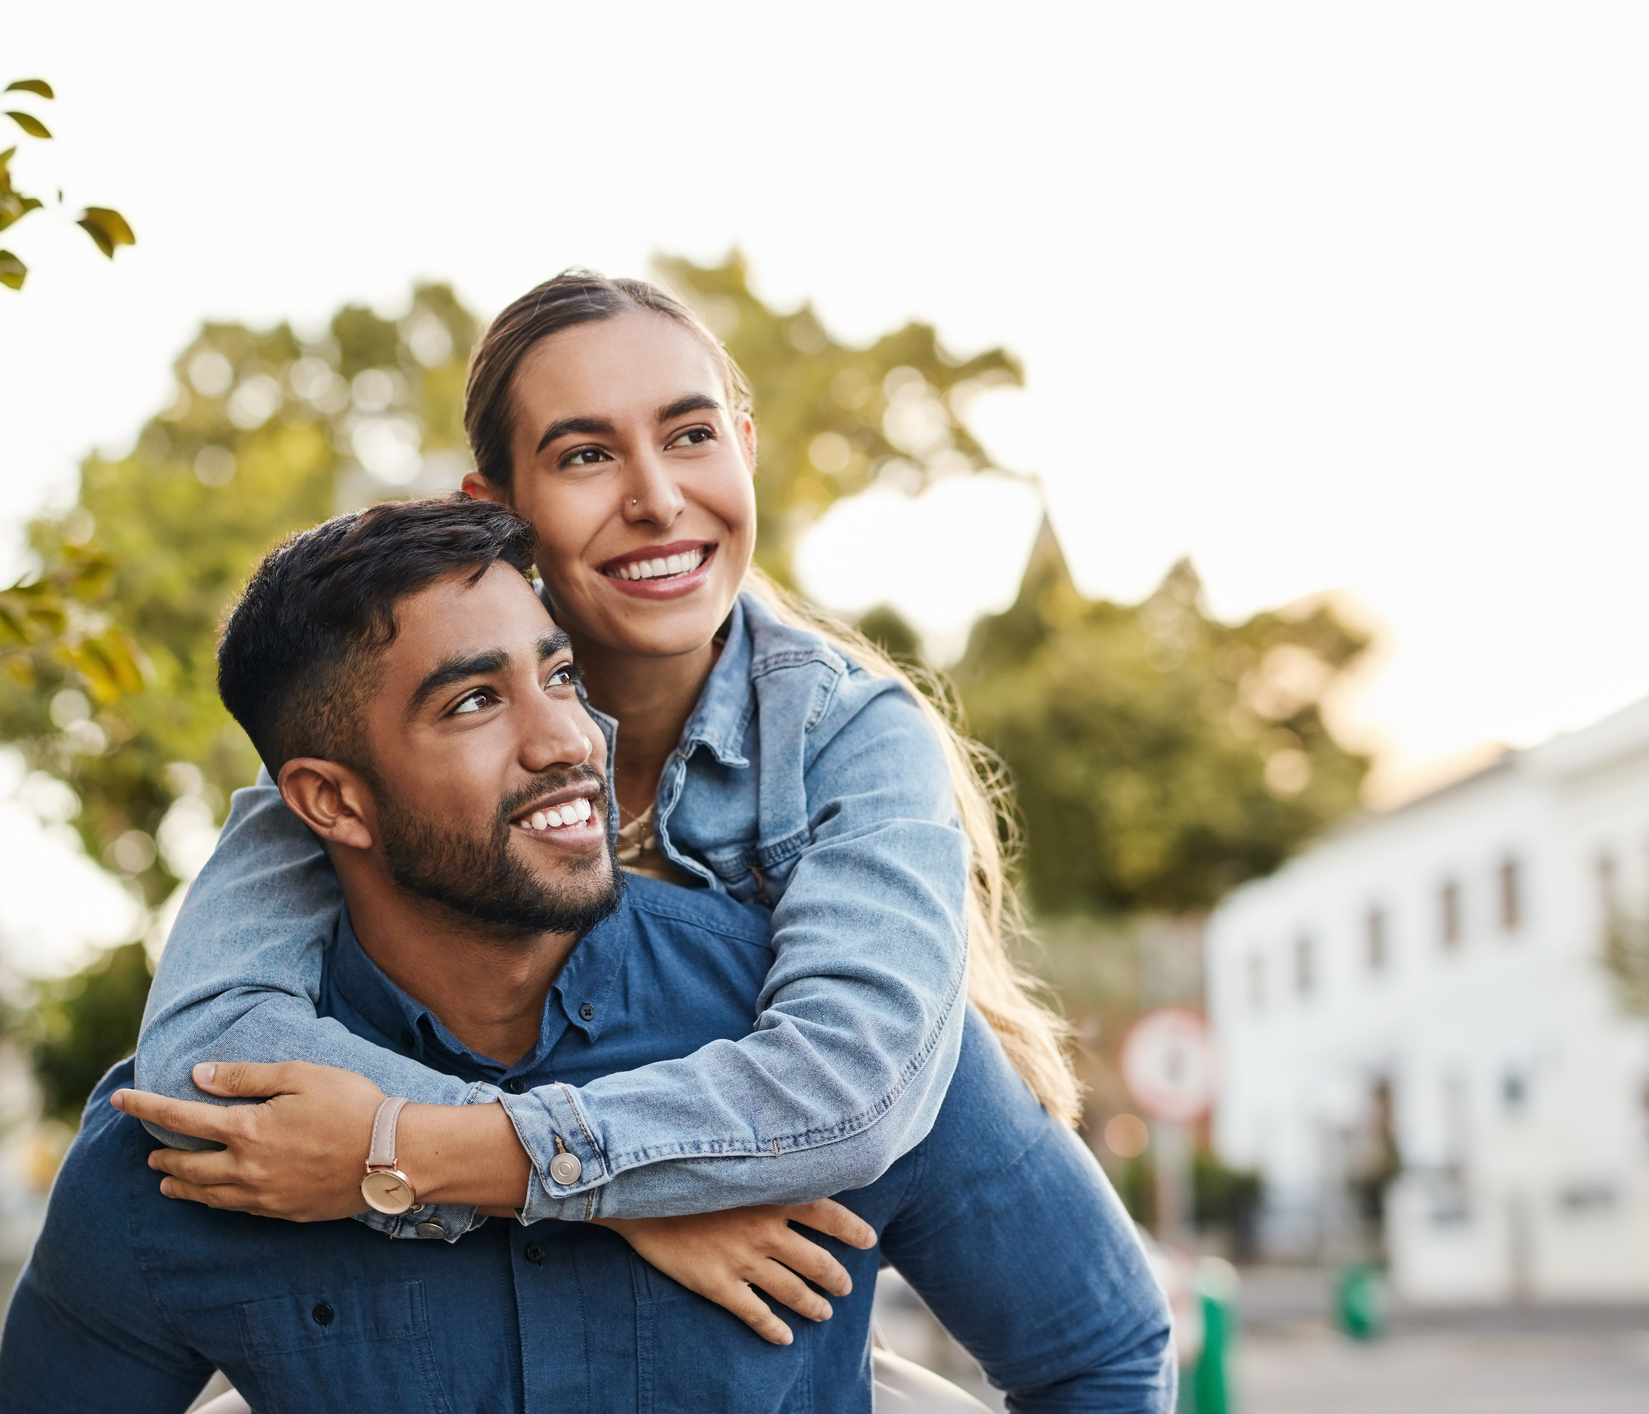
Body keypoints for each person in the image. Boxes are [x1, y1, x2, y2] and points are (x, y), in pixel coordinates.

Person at [0, 498, 1171, 1412]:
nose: (566, 738)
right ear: (329, 803)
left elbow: (1104, 1356)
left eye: (560, 673)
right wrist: (615, 1200)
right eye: (471, 703)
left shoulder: (828, 1031)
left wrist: (423, 1154)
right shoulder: (194, 1152)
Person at [128, 274, 1083, 1341]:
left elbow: (847, 1085)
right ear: (496, 511)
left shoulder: (847, 737)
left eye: (689, 435)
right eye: (585, 455)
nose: (657, 499)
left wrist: (410, 1152)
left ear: (747, 450)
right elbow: (202, 1053)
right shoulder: (393, 723)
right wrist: (620, 1204)